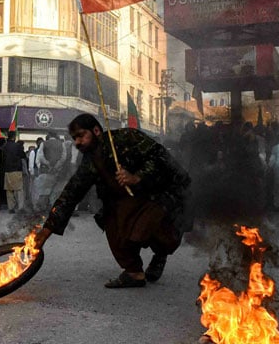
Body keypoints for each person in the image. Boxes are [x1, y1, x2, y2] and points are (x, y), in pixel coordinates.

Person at [34, 113, 191, 288]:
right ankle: (134, 272)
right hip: (120, 202)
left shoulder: (128, 137)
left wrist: (137, 177)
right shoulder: (90, 161)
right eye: (74, 138)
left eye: (81, 135)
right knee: (114, 227)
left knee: (155, 230)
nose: (77, 142)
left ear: (96, 131)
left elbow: (161, 158)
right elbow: (71, 193)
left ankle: (160, 255)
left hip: (155, 195)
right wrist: (46, 231)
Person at [1, 131, 26, 214]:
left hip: (7, 170)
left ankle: (11, 208)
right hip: (17, 169)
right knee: (19, 189)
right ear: (14, 137)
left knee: (9, 190)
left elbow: (2, 159)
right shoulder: (18, 146)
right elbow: (23, 156)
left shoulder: (4, 146)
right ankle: (20, 207)